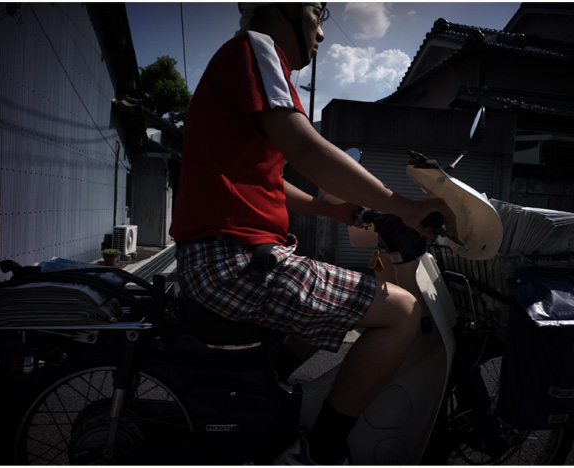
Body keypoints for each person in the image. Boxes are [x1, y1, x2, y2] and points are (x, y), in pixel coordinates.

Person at [169, 3, 457, 464]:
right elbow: (306, 149)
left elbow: (266, 180)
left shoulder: (248, 63)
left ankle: (260, 395)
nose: (321, 31)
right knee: (402, 311)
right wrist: (405, 207)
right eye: (317, 13)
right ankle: (319, 449)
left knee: (331, 308)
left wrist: (333, 210)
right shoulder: (257, 49)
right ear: (284, 9)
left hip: (223, 258)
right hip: (234, 262)